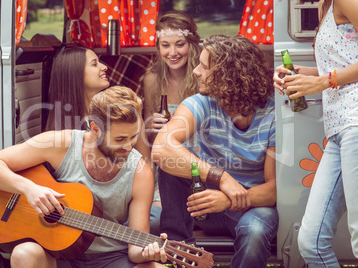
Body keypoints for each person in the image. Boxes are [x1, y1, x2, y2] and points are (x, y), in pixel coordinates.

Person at [0, 86, 168, 268]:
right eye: (119, 139)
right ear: (95, 128)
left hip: (109, 258)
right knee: (24, 253)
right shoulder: (61, 144)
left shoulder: (140, 173)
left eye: (133, 136)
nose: (128, 146)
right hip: (57, 255)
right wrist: (29, 189)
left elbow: (135, 249)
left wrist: (147, 252)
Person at [152, 34, 278, 268]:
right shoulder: (200, 103)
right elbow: (161, 147)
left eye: (204, 66)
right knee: (172, 163)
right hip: (205, 205)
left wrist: (230, 198)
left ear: (230, 76)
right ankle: (181, 255)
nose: (196, 71)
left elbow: (273, 190)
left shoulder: (273, 114)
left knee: (257, 230)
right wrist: (222, 178)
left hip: (252, 206)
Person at [273, 0, 358, 265]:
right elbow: (342, 62)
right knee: (311, 243)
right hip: (338, 131)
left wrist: (323, 81)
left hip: (355, 124)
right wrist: (299, 75)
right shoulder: (325, 5)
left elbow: (331, 76)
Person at [45, 46, 160, 235]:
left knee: (152, 220)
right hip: (85, 211)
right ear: (74, 74)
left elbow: (145, 163)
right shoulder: (61, 130)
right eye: (94, 63)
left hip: (128, 200)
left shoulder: (123, 109)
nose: (104, 67)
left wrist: (149, 197)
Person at [142, 10, 201, 222]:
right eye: (165, 45)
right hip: (167, 168)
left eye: (180, 44)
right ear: (158, 47)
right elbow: (148, 140)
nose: (172, 52)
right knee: (157, 220)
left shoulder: (203, 77)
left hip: (201, 164)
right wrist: (150, 125)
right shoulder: (152, 80)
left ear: (192, 45)